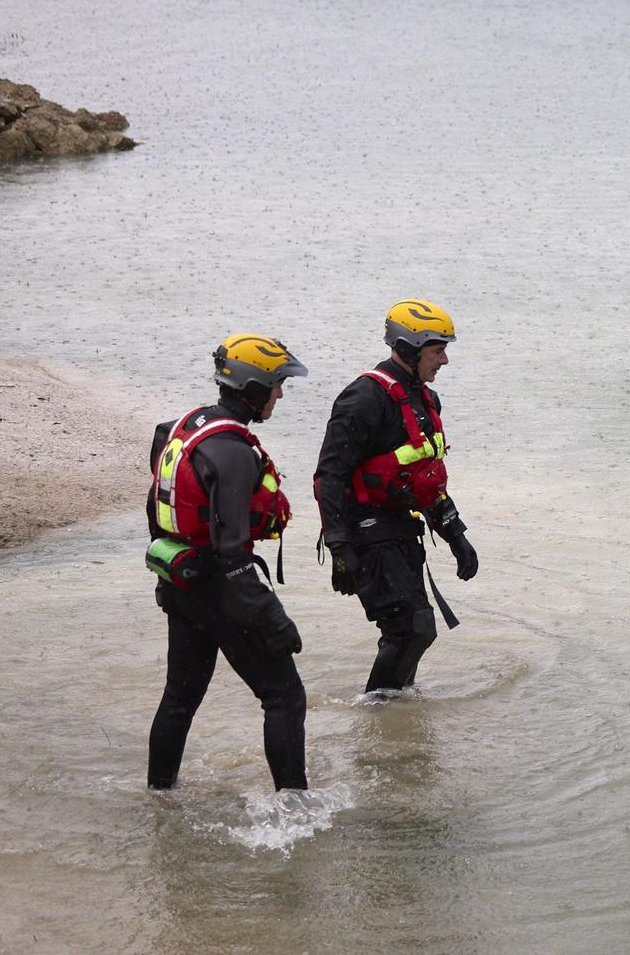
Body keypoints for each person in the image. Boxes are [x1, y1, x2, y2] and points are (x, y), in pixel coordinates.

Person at [146, 334, 309, 792]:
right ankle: (294, 815)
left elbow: (158, 508)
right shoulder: (234, 452)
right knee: (284, 695)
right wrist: (273, 618)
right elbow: (233, 553)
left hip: (180, 580)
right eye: (278, 384)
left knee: (180, 698)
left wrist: (169, 568)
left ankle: (160, 795)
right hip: (220, 589)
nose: (280, 394)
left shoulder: (180, 427)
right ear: (254, 386)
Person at [315, 298, 479, 694]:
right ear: (407, 349)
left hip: (401, 529)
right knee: (412, 629)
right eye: (437, 352)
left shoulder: (426, 399)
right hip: (366, 532)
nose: (444, 362)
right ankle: (378, 719)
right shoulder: (363, 399)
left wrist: (456, 534)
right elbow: (329, 476)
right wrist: (340, 548)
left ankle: (397, 713)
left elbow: (426, 477)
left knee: (414, 631)